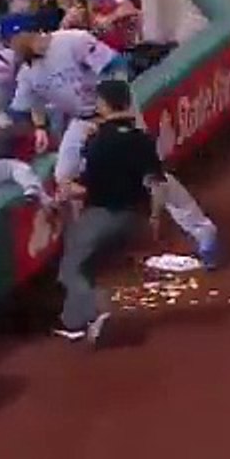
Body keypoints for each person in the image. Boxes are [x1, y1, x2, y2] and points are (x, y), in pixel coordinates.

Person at [54, 79, 166, 344]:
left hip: (101, 217)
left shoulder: (96, 140)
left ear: (102, 104)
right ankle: (75, 324)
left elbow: (84, 187)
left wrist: (66, 190)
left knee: (71, 270)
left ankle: (96, 312)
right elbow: (156, 184)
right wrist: (154, 218)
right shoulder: (142, 139)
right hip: (135, 219)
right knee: (88, 266)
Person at [4, 15, 121, 188]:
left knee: (127, 161)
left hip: (117, 109)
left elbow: (116, 66)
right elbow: (27, 105)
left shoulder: (73, 40)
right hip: (82, 119)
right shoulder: (26, 73)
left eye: (12, 41)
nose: (11, 47)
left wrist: (114, 111)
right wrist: (40, 128)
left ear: (26, 34)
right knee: (63, 176)